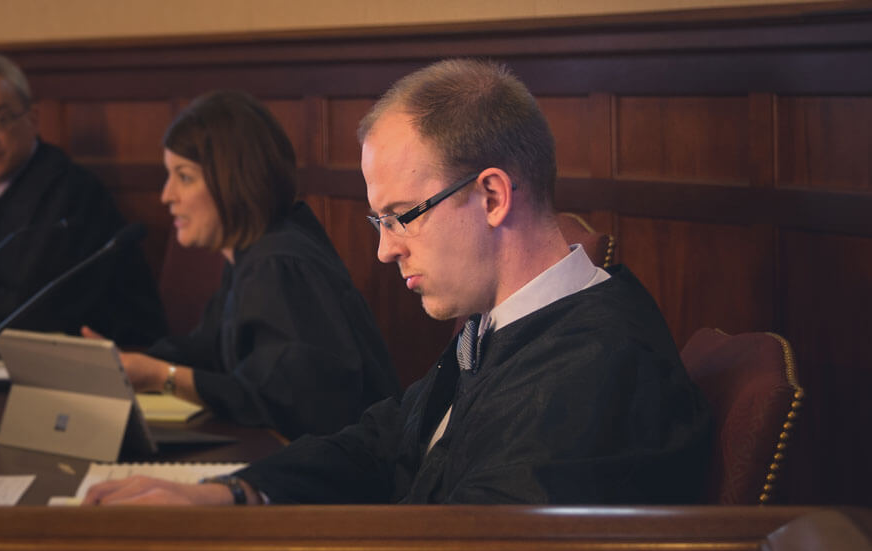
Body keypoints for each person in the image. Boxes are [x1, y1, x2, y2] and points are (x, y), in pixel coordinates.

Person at [85, 59, 711, 506]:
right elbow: (385, 439)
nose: (383, 250)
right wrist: (233, 493)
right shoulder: (505, 320)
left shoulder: (593, 371)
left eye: (401, 216)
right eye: (377, 220)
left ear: (492, 195)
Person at [85, 91, 397, 440]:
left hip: (344, 482)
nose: (166, 196)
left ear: (234, 180)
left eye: (184, 177)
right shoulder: (253, 252)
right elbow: (207, 349)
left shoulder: (278, 263)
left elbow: (286, 402)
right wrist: (118, 362)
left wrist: (162, 376)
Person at [0, 53, 164, 346]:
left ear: (33, 119)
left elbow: (31, 309)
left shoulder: (70, 190)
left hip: (104, 361)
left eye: (0, 120)